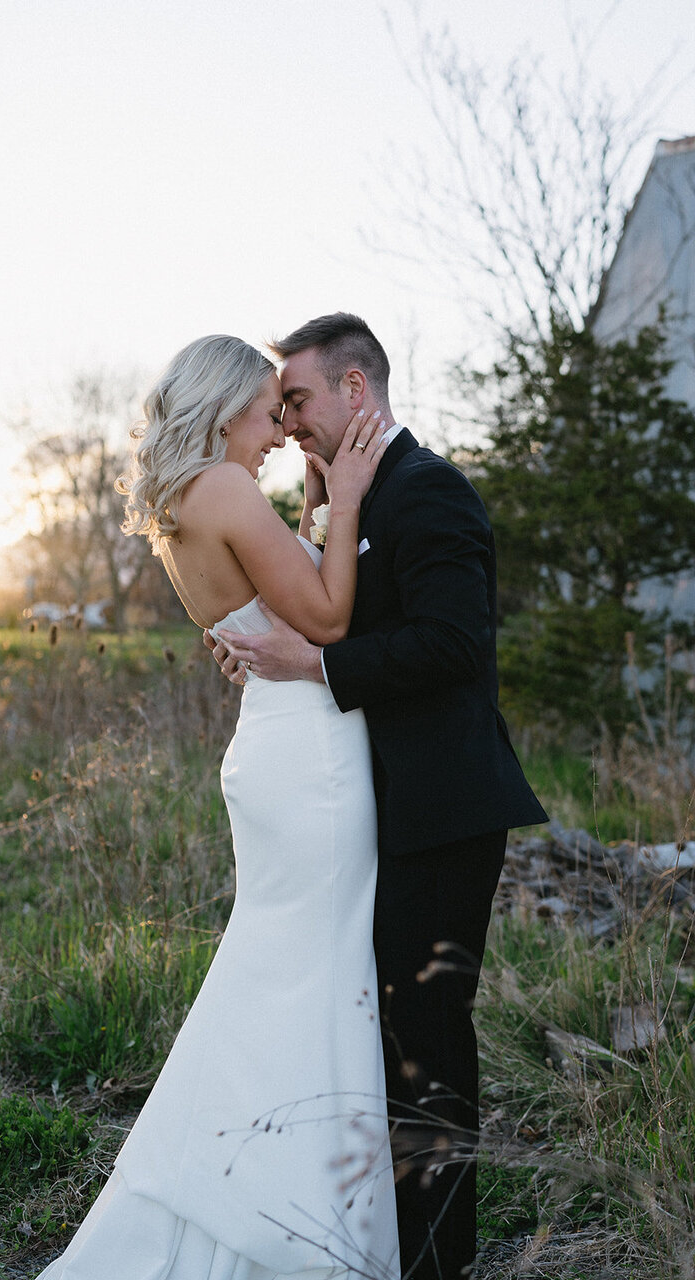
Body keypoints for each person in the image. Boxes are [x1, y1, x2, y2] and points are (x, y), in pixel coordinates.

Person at [35, 334, 400, 1280]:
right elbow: (325, 621)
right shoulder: (229, 490)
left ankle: (235, 1171)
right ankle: (289, 1206)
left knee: (277, 965)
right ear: (227, 405)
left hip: (268, 744)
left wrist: (316, 519)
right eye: (269, 410)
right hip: (309, 752)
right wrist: (346, 500)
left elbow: (258, 623)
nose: (280, 429)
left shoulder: (179, 504)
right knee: (314, 970)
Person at [209, 313, 549, 1280]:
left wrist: (316, 663)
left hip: (443, 812)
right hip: (379, 809)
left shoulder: (429, 490)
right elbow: (331, 610)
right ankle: (385, 1240)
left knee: (428, 1043)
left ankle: (442, 1263)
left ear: (357, 391)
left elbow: (454, 646)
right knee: (384, 1035)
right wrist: (266, 646)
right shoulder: (349, 494)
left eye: (300, 399)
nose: (290, 420)